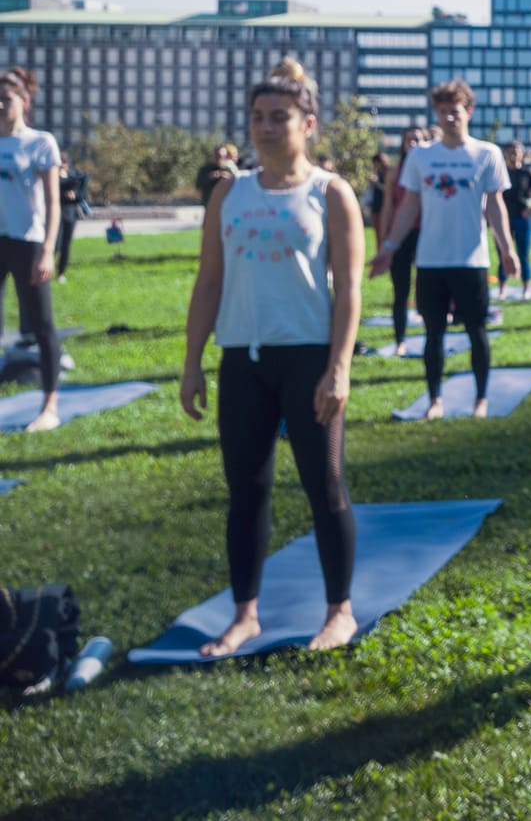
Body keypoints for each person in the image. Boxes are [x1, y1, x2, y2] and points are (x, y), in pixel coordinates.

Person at [180, 59, 361, 655]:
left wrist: (339, 367)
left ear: (307, 124)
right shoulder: (230, 193)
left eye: (277, 117)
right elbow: (209, 282)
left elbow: (350, 289)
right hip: (244, 360)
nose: (264, 127)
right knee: (247, 490)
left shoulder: (330, 193)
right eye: (256, 117)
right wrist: (191, 361)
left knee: (324, 486)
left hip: (308, 358)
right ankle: (244, 614)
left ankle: (340, 611)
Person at [368, 80, 517, 420]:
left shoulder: (487, 154)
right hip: (431, 261)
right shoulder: (421, 157)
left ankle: (481, 399)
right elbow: (408, 208)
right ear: (436, 113)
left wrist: (507, 249)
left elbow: (496, 206)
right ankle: (434, 399)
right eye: (443, 112)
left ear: (469, 111)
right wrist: (389, 245)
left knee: (476, 331)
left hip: (472, 260)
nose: (449, 118)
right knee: (433, 333)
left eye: (456, 111)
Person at [0, 68, 65, 432]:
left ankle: (49, 406)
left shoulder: (40, 142)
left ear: (24, 102)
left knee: (41, 326)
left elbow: (54, 203)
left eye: (6, 99)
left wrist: (47, 249)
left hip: (29, 242)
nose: (0, 105)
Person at [374, 126, 429, 354]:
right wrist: (385, 240)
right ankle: (400, 341)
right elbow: (388, 207)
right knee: (401, 290)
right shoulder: (394, 173)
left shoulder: (430, 170)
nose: (413, 143)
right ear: (403, 144)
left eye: (418, 139)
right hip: (401, 236)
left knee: (427, 289)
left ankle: (431, 338)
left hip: (426, 235)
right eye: (409, 140)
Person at [496, 140, 531, 300]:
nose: (513, 155)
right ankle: (502, 290)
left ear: (521, 154)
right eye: (510, 152)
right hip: (503, 219)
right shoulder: (501, 172)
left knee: (523, 254)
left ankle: (526, 289)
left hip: (522, 217)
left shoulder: (526, 173)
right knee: (503, 253)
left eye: (516, 152)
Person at [55, 152, 88, 282]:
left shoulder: (74, 178)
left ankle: (60, 272)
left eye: (63, 163)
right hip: (55, 215)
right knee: (55, 244)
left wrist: (74, 195)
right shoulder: (52, 177)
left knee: (65, 245)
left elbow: (82, 195)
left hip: (70, 215)